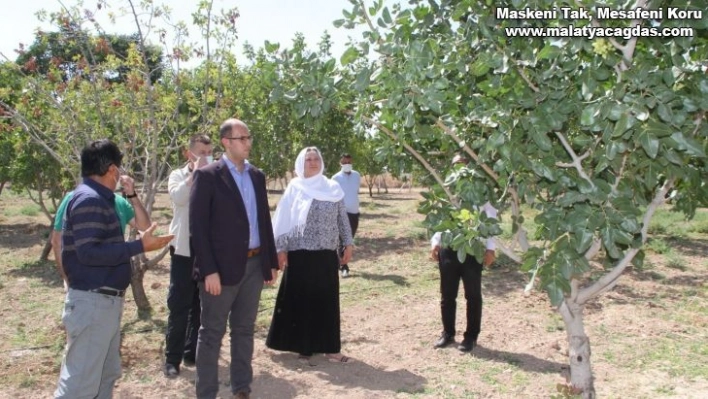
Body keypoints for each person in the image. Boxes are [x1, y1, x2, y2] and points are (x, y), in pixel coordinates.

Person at [54, 139, 174, 399]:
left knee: (105, 376)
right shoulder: (89, 200)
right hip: (93, 302)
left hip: (103, 303)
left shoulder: (102, 199)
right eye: (118, 167)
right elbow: (89, 253)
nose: (120, 173)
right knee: (79, 387)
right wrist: (138, 246)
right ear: (111, 169)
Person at [190, 119, 279, 399]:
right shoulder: (208, 176)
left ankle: (241, 387)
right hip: (221, 269)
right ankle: (207, 392)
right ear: (227, 142)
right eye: (242, 138)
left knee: (244, 329)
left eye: (249, 137)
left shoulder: (257, 176)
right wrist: (209, 271)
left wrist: (270, 262)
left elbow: (264, 221)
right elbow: (198, 228)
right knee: (212, 333)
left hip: (253, 265)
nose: (248, 142)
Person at [266, 146, 354, 364]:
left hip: (326, 253)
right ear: (300, 164)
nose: (313, 162)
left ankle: (331, 348)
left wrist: (348, 244)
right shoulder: (295, 188)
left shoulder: (333, 188)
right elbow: (284, 221)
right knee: (302, 299)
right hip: (300, 253)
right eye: (308, 159)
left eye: (316, 158)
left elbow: (342, 218)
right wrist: (281, 249)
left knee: (327, 300)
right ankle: (303, 347)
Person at [430, 154, 497, 353]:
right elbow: (439, 220)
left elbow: (491, 219)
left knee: (473, 295)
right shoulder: (446, 190)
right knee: (447, 295)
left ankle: (471, 336)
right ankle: (448, 333)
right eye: (455, 165)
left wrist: (490, 247)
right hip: (449, 249)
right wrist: (435, 242)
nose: (459, 169)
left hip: (473, 249)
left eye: (462, 165)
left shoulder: (482, 192)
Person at [163, 134, 213, 378]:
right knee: (180, 303)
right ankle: (172, 359)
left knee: (201, 304)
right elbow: (179, 198)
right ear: (189, 153)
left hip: (206, 251)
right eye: (201, 152)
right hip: (183, 248)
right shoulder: (178, 176)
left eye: (208, 152)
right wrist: (196, 174)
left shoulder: (216, 176)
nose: (205, 156)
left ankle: (191, 352)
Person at [52, 178, 150, 292]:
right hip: (83, 287)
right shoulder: (73, 198)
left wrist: (132, 195)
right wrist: (67, 279)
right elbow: (57, 242)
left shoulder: (119, 202)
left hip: (113, 289)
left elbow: (145, 227)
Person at [331, 153, 361, 278]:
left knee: (350, 238)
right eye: (344, 162)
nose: (347, 164)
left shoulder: (357, 175)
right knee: (343, 240)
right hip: (342, 213)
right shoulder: (335, 178)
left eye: (348, 162)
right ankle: (344, 267)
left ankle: (339, 263)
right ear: (340, 163)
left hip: (355, 212)